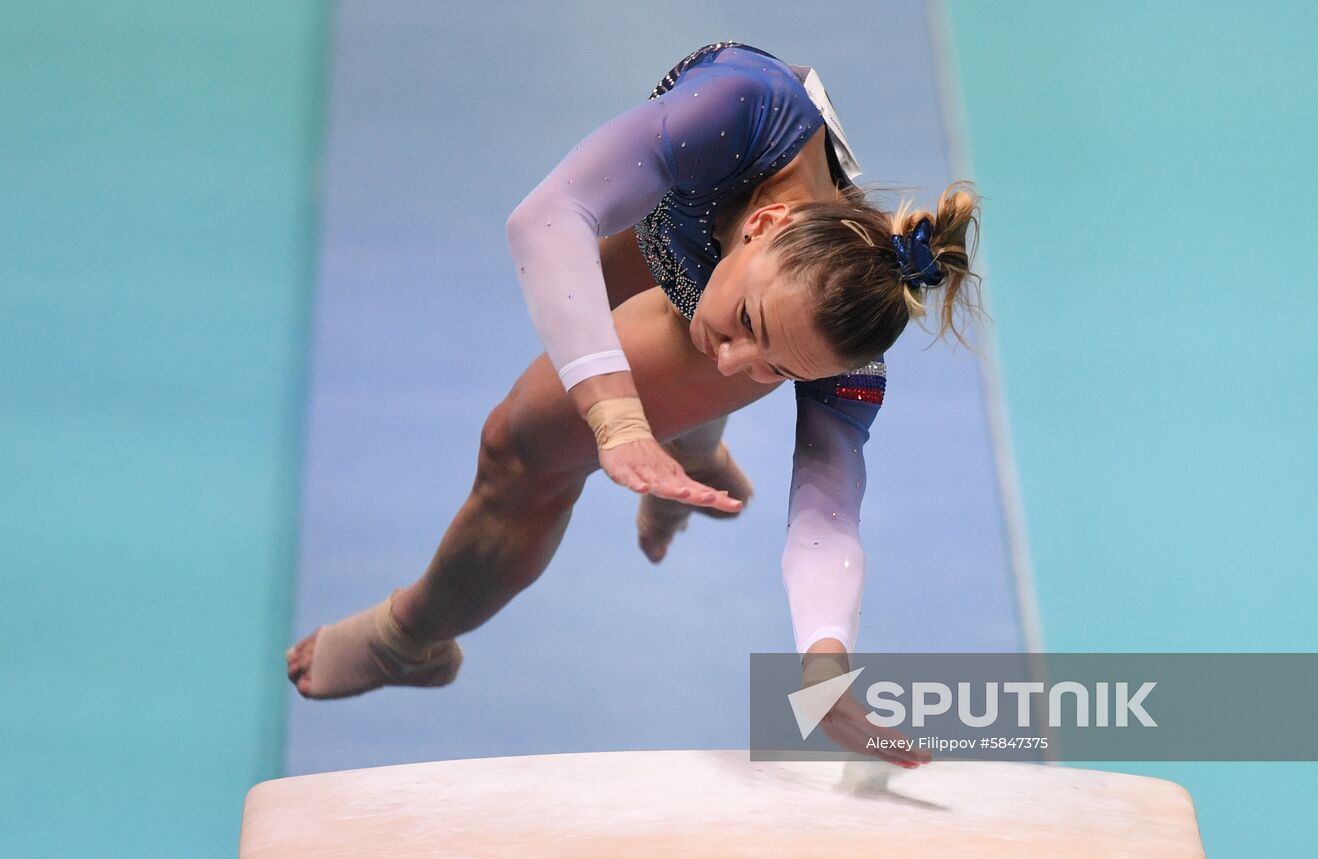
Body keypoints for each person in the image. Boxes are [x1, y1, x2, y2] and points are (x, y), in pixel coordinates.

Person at [286, 42, 980, 769]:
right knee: (604, 332)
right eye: (752, 328)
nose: (738, 361)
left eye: (773, 371)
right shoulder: (738, 112)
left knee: (518, 451)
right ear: (766, 223)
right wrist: (616, 414)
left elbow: (828, 509)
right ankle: (696, 445)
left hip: (713, 258)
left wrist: (824, 658)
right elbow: (546, 217)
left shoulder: (824, 343)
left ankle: (407, 639)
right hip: (691, 217)